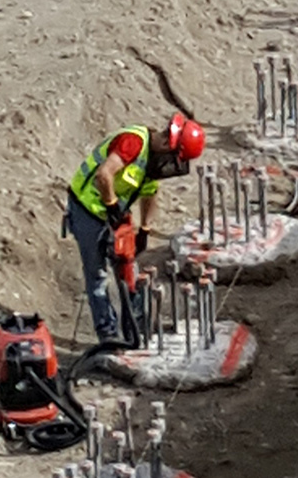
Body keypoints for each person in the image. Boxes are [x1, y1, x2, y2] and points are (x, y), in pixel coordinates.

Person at [65, 112, 206, 344]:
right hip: (87, 210)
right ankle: (108, 334)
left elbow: (150, 194)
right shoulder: (133, 143)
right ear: (167, 144)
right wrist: (111, 205)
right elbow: (104, 175)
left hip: (115, 211)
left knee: (129, 270)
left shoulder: (152, 161)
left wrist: (145, 229)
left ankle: (138, 329)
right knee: (97, 275)